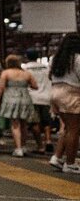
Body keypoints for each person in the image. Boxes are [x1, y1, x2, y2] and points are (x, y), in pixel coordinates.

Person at [0, 54, 37, 157]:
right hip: (25, 99)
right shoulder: (27, 73)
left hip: (11, 99)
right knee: (24, 124)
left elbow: (1, 87)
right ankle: (23, 146)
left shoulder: (6, 73)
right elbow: (35, 86)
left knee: (15, 124)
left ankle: (18, 148)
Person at [48, 33, 80, 173]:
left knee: (67, 128)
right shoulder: (77, 59)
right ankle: (70, 163)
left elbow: (50, 76)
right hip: (71, 94)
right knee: (74, 130)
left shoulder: (55, 59)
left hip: (56, 92)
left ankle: (57, 157)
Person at [24, 49, 53, 154]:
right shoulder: (46, 68)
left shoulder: (25, 68)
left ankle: (40, 146)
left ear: (27, 56)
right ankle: (48, 140)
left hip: (32, 98)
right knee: (47, 121)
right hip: (46, 97)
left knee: (34, 123)